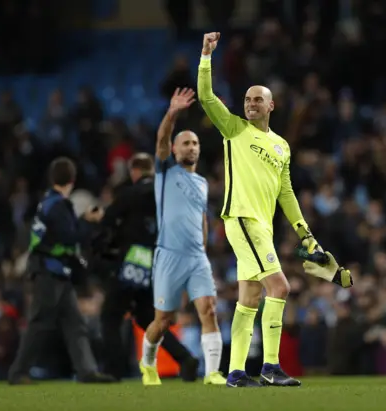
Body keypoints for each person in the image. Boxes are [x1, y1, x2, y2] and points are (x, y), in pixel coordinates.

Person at [197, 32, 352, 388]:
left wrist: (304, 232)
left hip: (262, 226)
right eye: (248, 99)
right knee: (280, 287)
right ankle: (270, 366)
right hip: (242, 218)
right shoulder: (234, 128)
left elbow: (287, 193)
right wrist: (206, 56)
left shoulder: (281, 146)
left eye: (257, 100)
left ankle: (235, 372)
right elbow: (205, 97)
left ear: (271, 106)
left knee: (249, 298)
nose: (250, 103)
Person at [139, 87, 227, 386]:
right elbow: (161, 138)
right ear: (175, 150)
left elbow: (201, 218)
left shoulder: (202, 183)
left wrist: (202, 250)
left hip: (196, 258)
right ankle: (147, 363)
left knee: (209, 310)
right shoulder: (165, 171)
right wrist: (173, 112)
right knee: (163, 322)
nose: (191, 147)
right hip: (168, 255)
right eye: (186, 143)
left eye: (195, 143)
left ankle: (213, 372)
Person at [8, 157, 114, 385]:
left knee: (75, 323)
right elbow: (70, 237)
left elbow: (60, 233)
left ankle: (87, 371)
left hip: (54, 271)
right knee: (39, 322)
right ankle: (18, 372)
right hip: (49, 271)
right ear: (72, 180)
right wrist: (89, 221)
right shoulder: (58, 205)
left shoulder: (48, 203)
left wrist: (82, 221)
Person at [96, 153, 200, 381]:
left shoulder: (128, 195)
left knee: (110, 316)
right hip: (160, 262)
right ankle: (185, 358)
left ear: (134, 171)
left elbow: (107, 225)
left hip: (133, 261)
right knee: (146, 317)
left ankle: (114, 370)